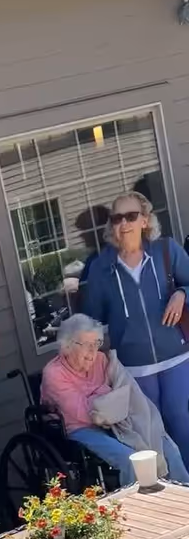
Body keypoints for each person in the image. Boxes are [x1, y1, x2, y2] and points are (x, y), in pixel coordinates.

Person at [82, 192, 189, 470]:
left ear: (144, 220)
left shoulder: (166, 251)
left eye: (131, 216)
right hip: (134, 366)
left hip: (177, 356)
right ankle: (172, 495)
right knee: (152, 434)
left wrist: (181, 293)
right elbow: (92, 320)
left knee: (180, 421)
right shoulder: (100, 268)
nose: (124, 224)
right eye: (117, 218)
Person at [41, 315, 189, 487]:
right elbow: (83, 414)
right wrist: (110, 395)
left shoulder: (102, 360)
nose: (93, 353)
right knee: (131, 460)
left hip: (116, 422)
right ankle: (137, 507)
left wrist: (105, 399)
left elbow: (127, 393)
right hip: (81, 429)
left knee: (167, 447)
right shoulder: (54, 374)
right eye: (87, 345)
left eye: (96, 344)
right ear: (68, 345)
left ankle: (184, 497)